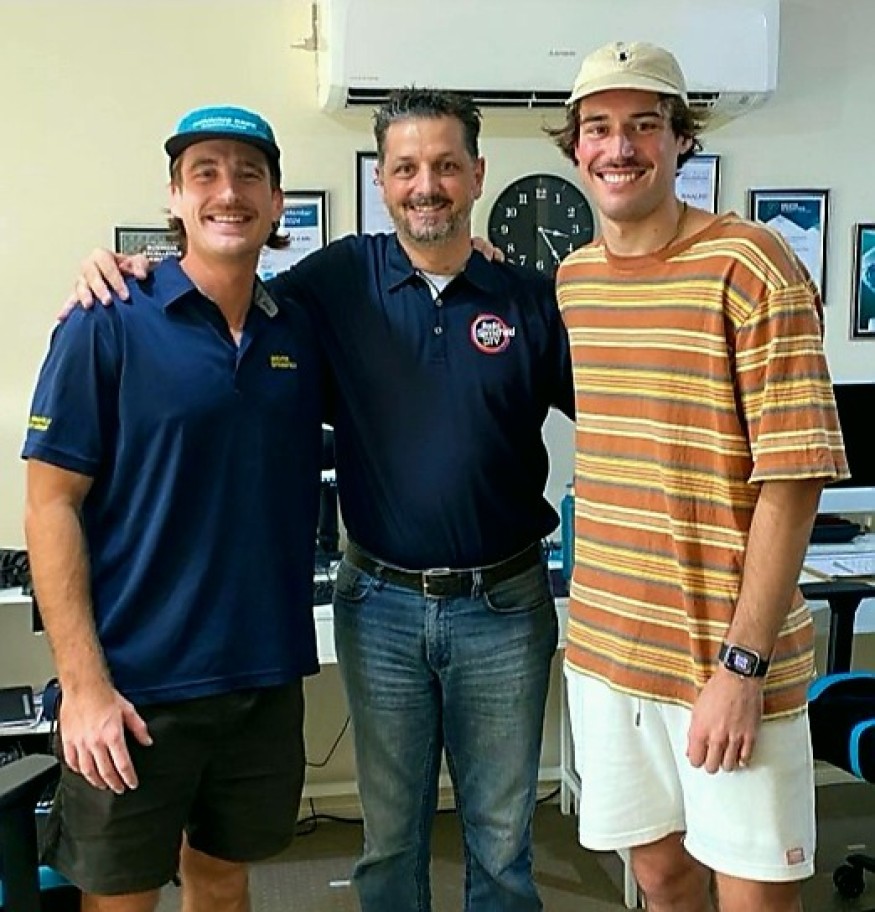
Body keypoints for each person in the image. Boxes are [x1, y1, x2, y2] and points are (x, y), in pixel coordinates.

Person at [68, 88, 575, 912]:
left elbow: (618, 413)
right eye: (406, 168)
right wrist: (128, 267)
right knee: (390, 840)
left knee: (501, 839)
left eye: (446, 166)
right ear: (381, 180)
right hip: (380, 605)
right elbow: (221, 279)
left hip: (506, 606)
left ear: (478, 174)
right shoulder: (336, 282)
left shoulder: (526, 297)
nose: (426, 186)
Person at [549, 41, 848, 912]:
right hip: (608, 651)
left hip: (723, 657)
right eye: (598, 127)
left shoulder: (752, 264)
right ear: (574, 147)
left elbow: (793, 478)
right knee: (658, 878)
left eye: (644, 125)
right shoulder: (573, 279)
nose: (619, 147)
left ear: (681, 139)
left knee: (754, 895)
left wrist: (741, 667)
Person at [23, 105, 324, 912]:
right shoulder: (107, 320)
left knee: (222, 886)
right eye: (205, 174)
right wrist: (83, 687)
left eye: (249, 175)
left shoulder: (298, 329)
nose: (228, 192)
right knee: (120, 900)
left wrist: (474, 252)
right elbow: (49, 506)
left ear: (276, 201)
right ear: (175, 197)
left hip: (261, 677)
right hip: (135, 688)